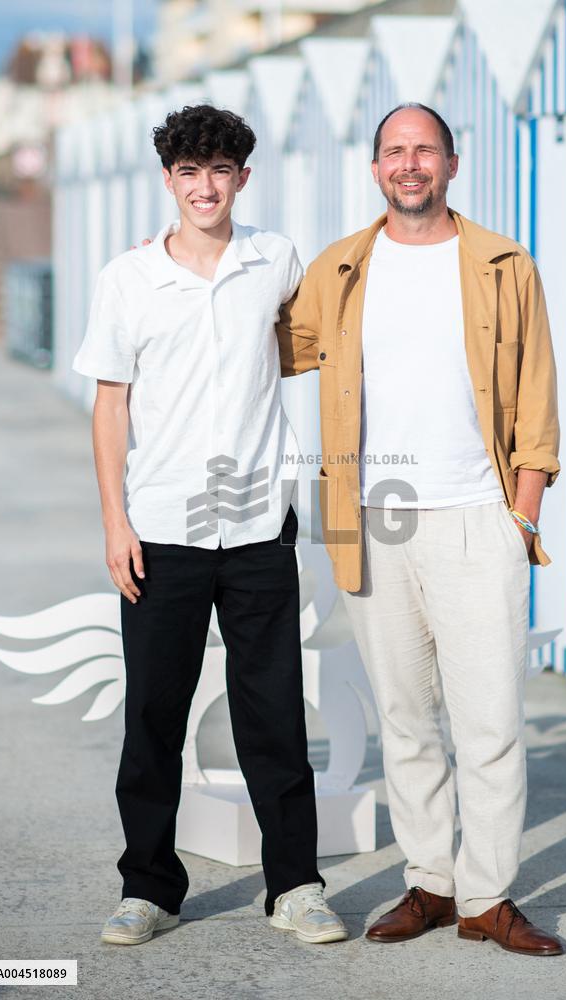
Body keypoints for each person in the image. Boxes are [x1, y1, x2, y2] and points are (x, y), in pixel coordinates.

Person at [276, 103, 564, 956]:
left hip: (479, 518)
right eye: (395, 151)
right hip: (373, 521)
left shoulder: (505, 263)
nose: (410, 164)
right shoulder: (339, 269)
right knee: (404, 717)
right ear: (375, 170)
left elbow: (539, 396)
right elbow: (260, 344)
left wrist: (522, 514)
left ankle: (487, 897)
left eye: (425, 150)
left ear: (451, 163)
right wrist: (190, 261)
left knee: (490, 722)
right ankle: (430, 884)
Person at [72, 104, 347, 947]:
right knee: (154, 713)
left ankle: (295, 884)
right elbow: (110, 404)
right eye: (189, 172)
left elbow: (321, 347)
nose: (205, 187)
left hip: (260, 523)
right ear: (168, 181)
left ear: (243, 177)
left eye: (220, 170)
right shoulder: (129, 279)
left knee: (273, 714)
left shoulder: (276, 259)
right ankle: (149, 887)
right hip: (161, 527)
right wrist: (116, 521)